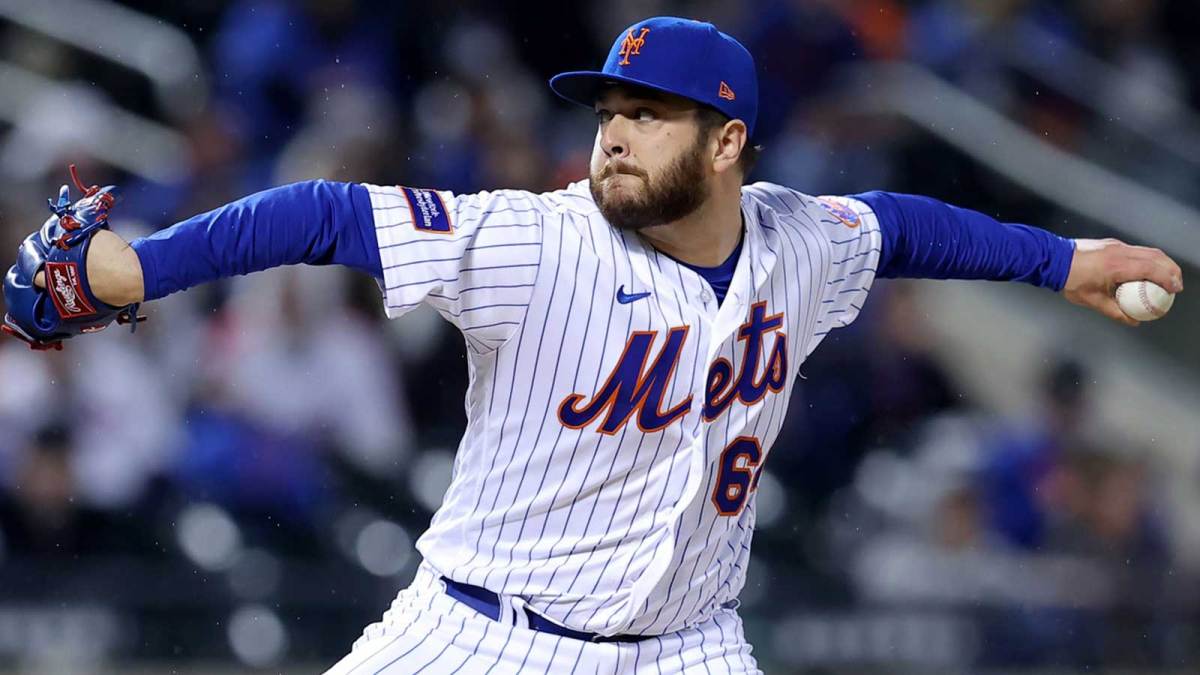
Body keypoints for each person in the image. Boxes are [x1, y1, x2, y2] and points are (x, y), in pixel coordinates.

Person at [2, 16, 1183, 674]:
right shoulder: (535, 240)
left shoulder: (798, 243)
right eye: (609, 112)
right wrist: (135, 268)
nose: (613, 136)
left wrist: (1067, 261)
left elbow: (907, 227)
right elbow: (323, 212)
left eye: (648, 116)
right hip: (479, 637)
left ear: (727, 143)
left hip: (687, 651)